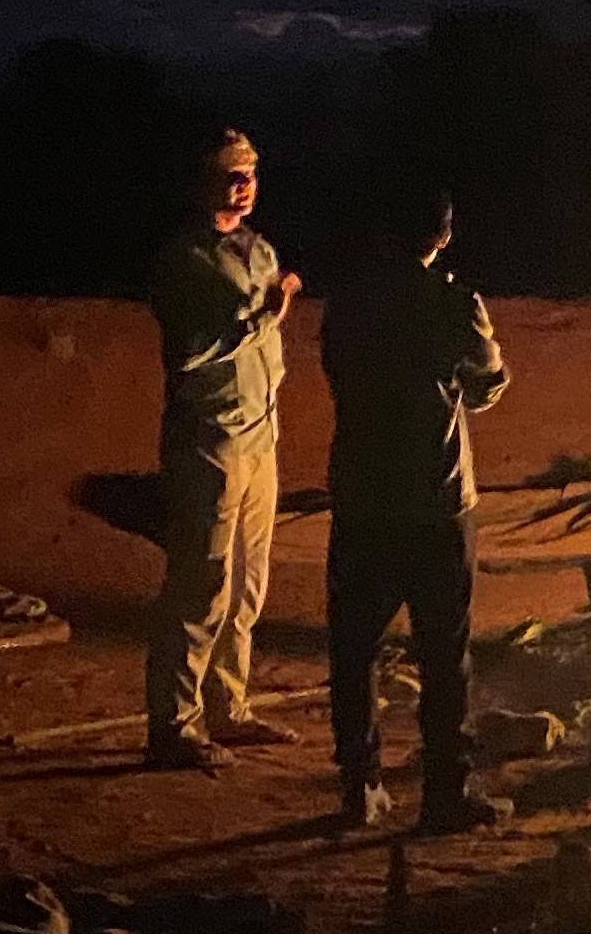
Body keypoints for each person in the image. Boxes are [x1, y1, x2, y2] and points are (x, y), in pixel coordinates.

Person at [320, 177, 509, 833]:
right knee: (443, 653)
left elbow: (337, 372)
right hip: (437, 499)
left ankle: (359, 786)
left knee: (354, 650)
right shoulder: (454, 301)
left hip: (363, 494)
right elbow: (487, 381)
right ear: (445, 233)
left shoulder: (346, 303)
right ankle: (443, 792)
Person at [144, 128, 302, 772]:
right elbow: (193, 351)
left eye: (251, 174)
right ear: (201, 182)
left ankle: (228, 709)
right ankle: (174, 727)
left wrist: (271, 307)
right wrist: (268, 310)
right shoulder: (185, 260)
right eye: (229, 174)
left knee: (248, 584)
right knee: (200, 584)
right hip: (208, 439)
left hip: (260, 434)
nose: (243, 184)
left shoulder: (258, 250)